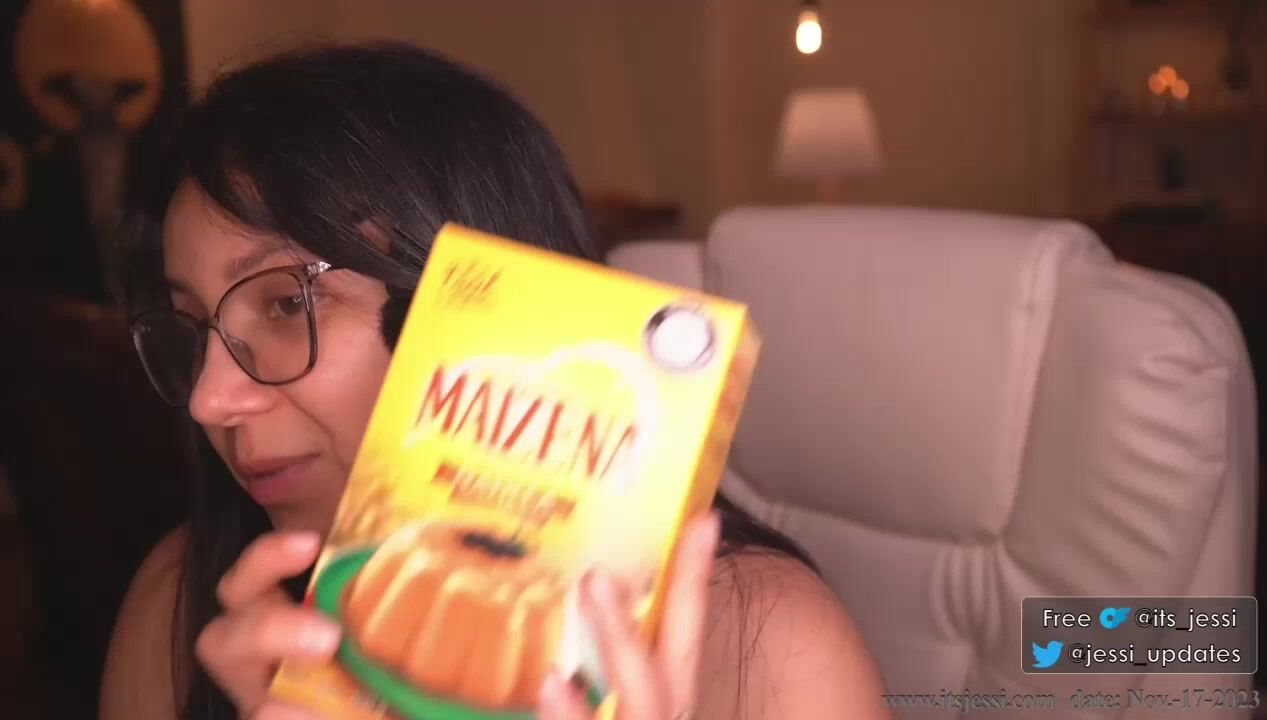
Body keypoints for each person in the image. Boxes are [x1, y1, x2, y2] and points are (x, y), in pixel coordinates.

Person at [98, 42, 893, 720]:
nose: (210, 399)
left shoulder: (766, 644)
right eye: (191, 328)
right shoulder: (182, 598)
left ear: (482, 306)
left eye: (284, 303)